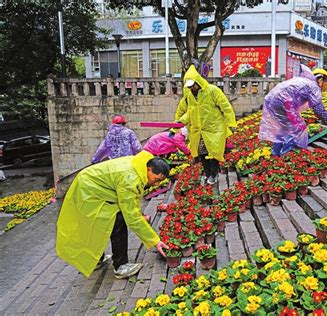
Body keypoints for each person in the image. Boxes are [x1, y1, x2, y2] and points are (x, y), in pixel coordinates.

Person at [56, 151, 170, 279]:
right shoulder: (130, 180)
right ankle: (121, 266)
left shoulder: (140, 165)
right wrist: (155, 241)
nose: (156, 184)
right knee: (117, 220)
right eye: (156, 180)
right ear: (149, 169)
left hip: (94, 185)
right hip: (89, 191)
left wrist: (140, 215)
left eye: (160, 182)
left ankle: (96, 260)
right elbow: (132, 216)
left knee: (99, 223)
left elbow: (132, 201)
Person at [259, 66, 327, 156]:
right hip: (285, 102)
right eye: (323, 83)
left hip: (272, 100)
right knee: (299, 129)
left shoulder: (302, 81)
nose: (322, 86)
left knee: (284, 127)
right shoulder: (313, 86)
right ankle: (285, 155)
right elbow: (319, 110)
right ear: (320, 79)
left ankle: (275, 153)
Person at [176, 65, 237, 185]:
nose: (192, 88)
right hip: (199, 130)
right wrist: (177, 124)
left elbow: (226, 107)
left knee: (214, 152)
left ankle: (213, 174)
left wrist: (231, 123)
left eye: (193, 85)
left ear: (198, 81)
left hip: (215, 128)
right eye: (189, 86)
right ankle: (208, 173)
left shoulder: (212, 91)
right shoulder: (189, 96)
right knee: (202, 152)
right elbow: (188, 112)